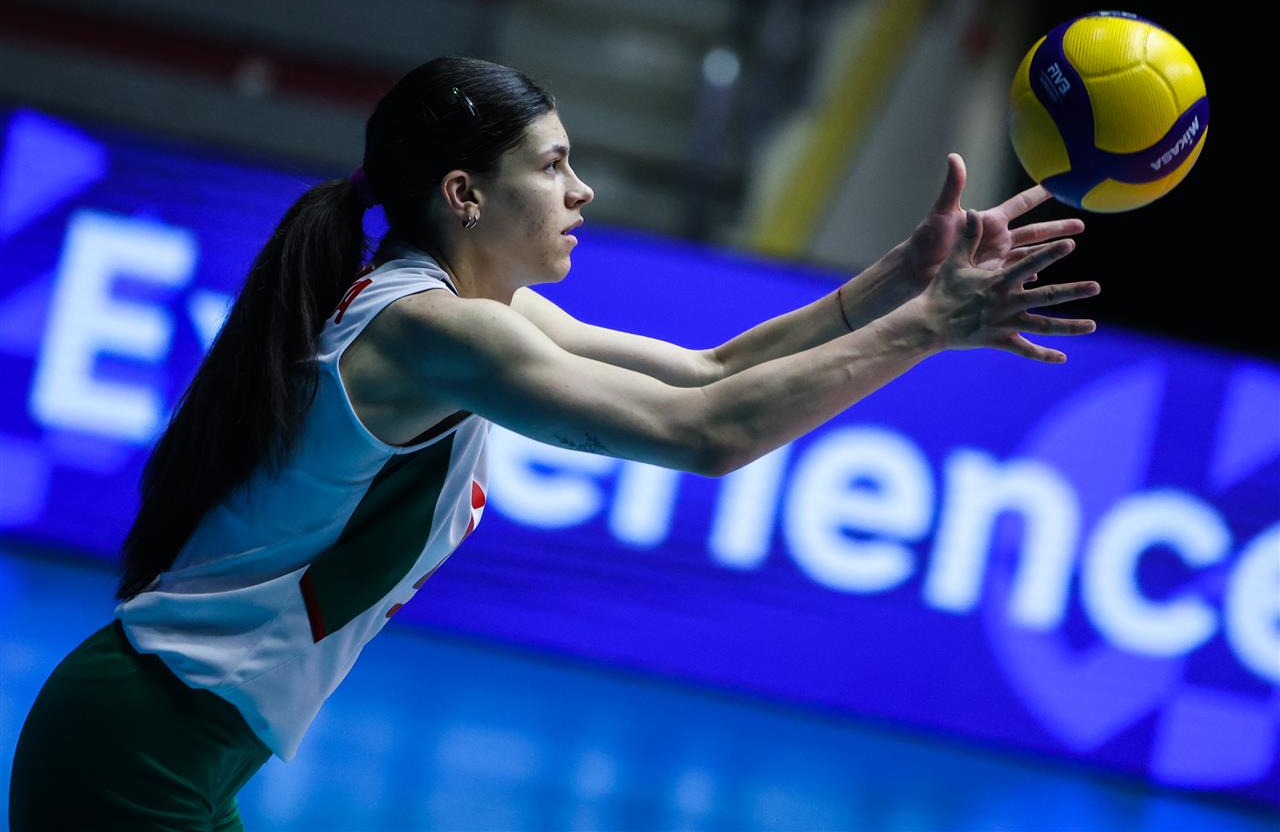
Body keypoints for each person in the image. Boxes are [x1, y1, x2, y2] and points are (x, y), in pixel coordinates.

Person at [8, 55, 1098, 829]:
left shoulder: (466, 310)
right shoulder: (432, 331)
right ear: (464, 194)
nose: (582, 191)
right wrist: (930, 329)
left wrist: (900, 279)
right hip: (138, 750)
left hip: (169, 745)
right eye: (553, 164)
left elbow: (708, 371)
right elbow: (710, 436)